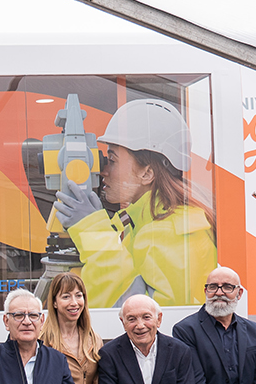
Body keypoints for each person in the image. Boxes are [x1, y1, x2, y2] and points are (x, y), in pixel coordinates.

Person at [52, 98, 218, 307]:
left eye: (112, 161)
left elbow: (129, 313)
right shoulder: (143, 223)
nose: (103, 171)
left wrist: (95, 233)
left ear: (147, 173)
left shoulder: (171, 235)